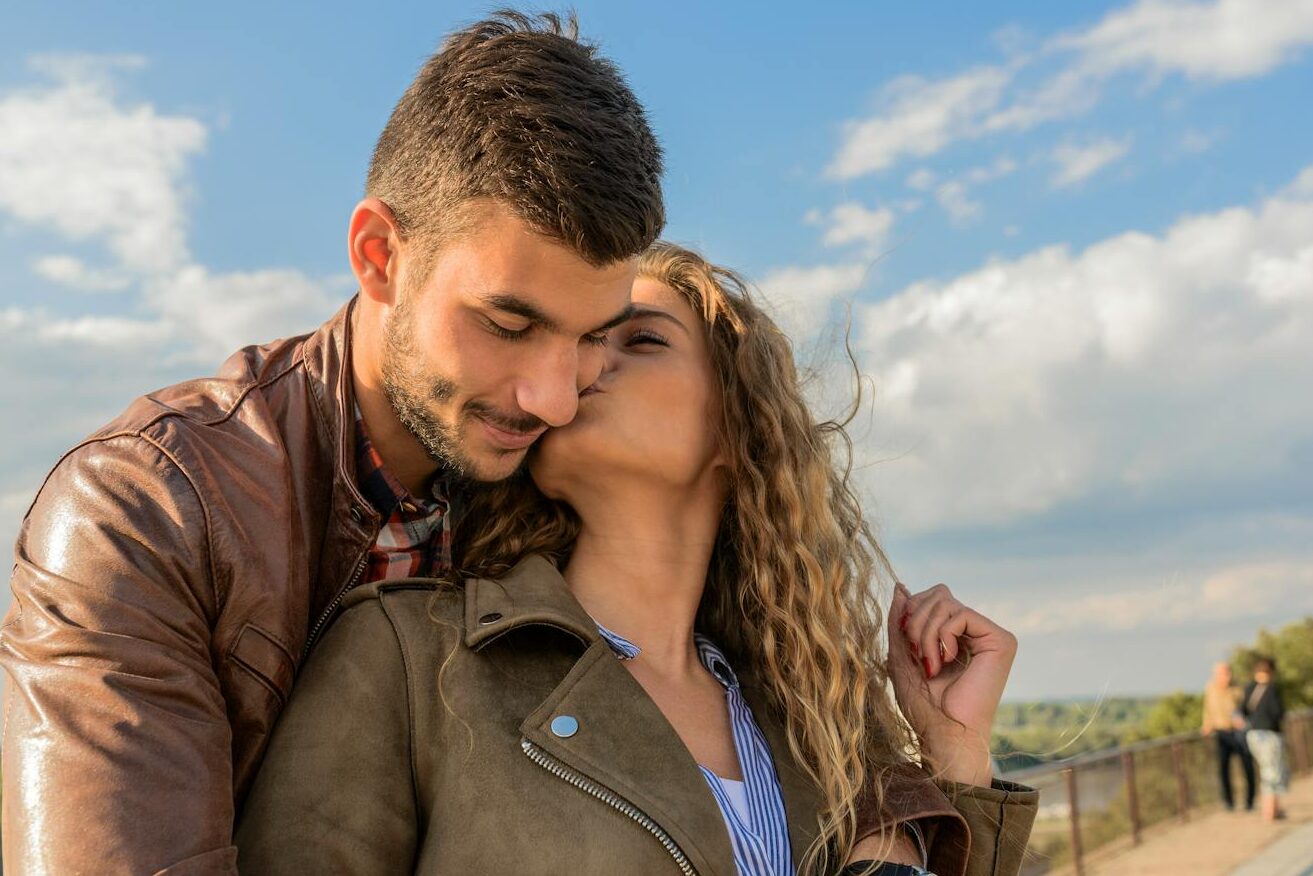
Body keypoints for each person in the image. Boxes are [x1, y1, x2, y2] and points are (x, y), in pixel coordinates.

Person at [0, 13, 664, 874]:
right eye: (507, 322)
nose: (553, 398)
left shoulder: (566, 484)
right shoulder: (144, 510)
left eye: (590, 338)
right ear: (379, 255)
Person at [236, 244, 1038, 875]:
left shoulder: (814, 727)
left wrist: (953, 754)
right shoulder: (409, 660)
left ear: (738, 428)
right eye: (580, 343)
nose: (582, 365)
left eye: (640, 340)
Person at [1201, 661, 1256, 812]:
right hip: (1221, 732)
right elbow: (1207, 709)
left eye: (1226, 672)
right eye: (1221, 673)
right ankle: (1228, 802)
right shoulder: (1210, 689)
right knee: (1223, 768)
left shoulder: (1238, 688)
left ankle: (1250, 800)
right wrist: (1206, 725)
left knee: (1247, 766)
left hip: (1238, 732)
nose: (1225, 676)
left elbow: (1247, 708)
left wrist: (1243, 721)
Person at [1241, 656, 1288, 821]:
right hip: (1270, 735)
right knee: (1273, 771)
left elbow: (1242, 710)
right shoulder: (1272, 689)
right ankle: (1270, 811)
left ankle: (1271, 809)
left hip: (1253, 735)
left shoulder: (1249, 688)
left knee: (1265, 770)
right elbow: (1278, 712)